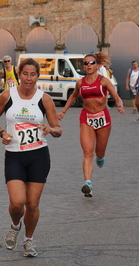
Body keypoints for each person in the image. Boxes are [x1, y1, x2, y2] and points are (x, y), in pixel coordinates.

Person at [0, 58, 62, 257]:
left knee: (32, 204)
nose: (29, 78)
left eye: (33, 74)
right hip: (14, 156)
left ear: (38, 76)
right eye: (25, 74)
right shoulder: (7, 95)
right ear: (19, 74)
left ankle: (28, 240)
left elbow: (58, 130)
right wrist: (2, 133)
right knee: (16, 202)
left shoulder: (44, 99)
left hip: (39, 155)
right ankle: (14, 226)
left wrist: (50, 128)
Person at [57, 52, 124, 197]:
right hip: (86, 118)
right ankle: (88, 183)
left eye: (91, 63)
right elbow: (73, 96)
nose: (88, 65)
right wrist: (63, 111)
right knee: (87, 152)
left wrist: (120, 105)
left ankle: (101, 157)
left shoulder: (104, 81)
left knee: (99, 152)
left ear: (98, 65)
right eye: (86, 63)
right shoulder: (80, 83)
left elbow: (115, 95)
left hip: (103, 119)